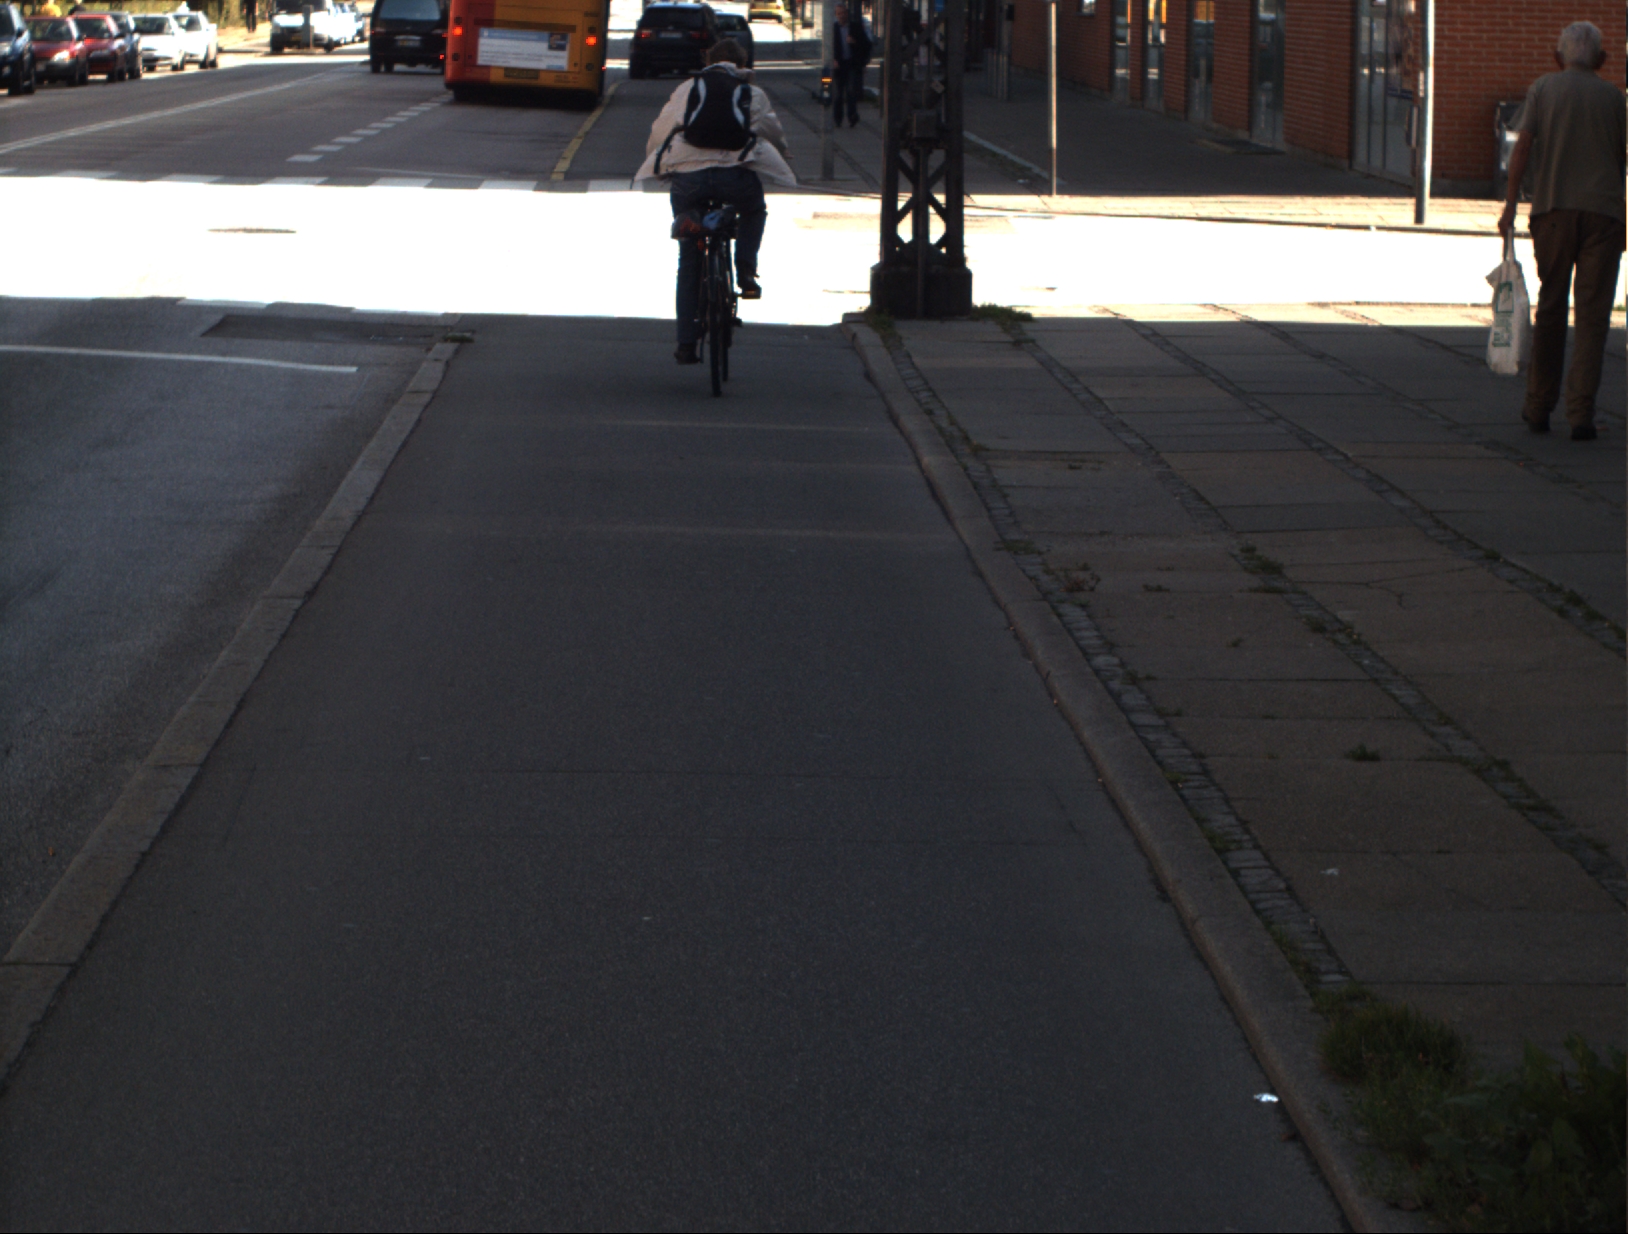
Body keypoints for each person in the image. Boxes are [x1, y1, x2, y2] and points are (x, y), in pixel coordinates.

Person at [1499, 21, 1625, 441]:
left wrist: (1511, 205)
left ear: (1557, 57)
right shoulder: (1615, 99)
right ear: (1603, 60)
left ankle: (1538, 407)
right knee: (1593, 318)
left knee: (1551, 308)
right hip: (1604, 216)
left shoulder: (1543, 89)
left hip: (1552, 211)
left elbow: (1523, 146)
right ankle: (1580, 415)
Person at [634, 39, 796, 366]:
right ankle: (746, 270)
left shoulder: (687, 89)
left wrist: (660, 163)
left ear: (708, 61)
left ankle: (685, 342)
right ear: (742, 64)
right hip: (733, 177)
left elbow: (660, 130)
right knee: (754, 209)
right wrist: (784, 154)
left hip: (688, 179)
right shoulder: (752, 93)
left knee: (689, 257)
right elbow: (772, 133)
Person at [828, 1, 871, 128]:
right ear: (836, 15)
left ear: (847, 14)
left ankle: (852, 116)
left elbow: (866, 45)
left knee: (851, 91)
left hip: (851, 63)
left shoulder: (855, 27)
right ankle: (838, 118)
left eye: (843, 13)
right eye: (839, 14)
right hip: (838, 65)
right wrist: (832, 60)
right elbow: (828, 48)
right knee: (838, 94)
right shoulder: (833, 29)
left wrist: (855, 42)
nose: (841, 16)